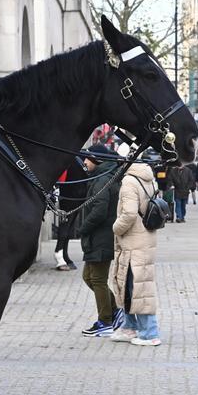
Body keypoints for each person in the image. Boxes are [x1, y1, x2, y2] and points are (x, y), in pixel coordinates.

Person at [109, 160, 162, 346]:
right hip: (146, 237)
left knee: (139, 287)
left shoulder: (129, 182)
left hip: (133, 240)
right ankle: (129, 326)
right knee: (130, 284)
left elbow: (129, 214)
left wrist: (116, 228)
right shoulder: (149, 179)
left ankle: (149, 333)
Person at [78, 144, 123, 337]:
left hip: (101, 237)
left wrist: (83, 228)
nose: (84, 162)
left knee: (97, 279)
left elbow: (99, 210)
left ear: (96, 159)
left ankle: (105, 320)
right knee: (89, 277)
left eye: (87, 158)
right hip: (98, 237)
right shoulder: (101, 177)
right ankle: (114, 311)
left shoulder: (102, 179)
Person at [52, 158, 86, 271]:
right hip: (68, 193)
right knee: (65, 224)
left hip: (78, 194)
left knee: (69, 226)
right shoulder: (72, 159)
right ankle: (59, 253)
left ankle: (63, 254)